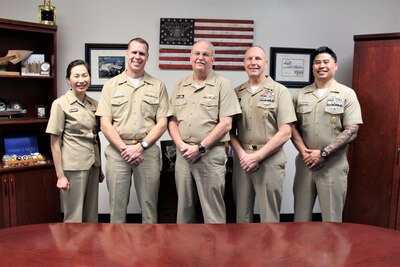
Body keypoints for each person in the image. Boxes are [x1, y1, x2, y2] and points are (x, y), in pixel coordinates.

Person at [96, 37, 171, 224]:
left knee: (149, 206)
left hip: (147, 153)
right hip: (117, 153)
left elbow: (162, 123)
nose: (137, 56)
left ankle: (149, 251)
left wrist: (141, 146)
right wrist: (125, 149)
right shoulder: (111, 85)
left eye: (142, 53)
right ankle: (117, 250)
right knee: (117, 206)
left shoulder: (157, 86)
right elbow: (105, 124)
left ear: (147, 57)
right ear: (127, 54)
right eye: (134, 52)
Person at [168, 40, 241, 224]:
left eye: (205, 54)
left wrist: (200, 148)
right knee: (184, 212)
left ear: (212, 59)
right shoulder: (180, 85)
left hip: (210, 155)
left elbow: (226, 123)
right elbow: (172, 121)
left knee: (213, 212)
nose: (200, 58)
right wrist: (182, 145)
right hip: (183, 156)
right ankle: (186, 251)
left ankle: (215, 252)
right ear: (190, 58)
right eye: (197, 54)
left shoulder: (222, 84)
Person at [291, 46, 363, 222]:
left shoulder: (347, 94)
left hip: (333, 165)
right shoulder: (300, 94)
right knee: (300, 218)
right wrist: (305, 153)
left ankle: (333, 251)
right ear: (312, 66)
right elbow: (291, 127)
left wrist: (324, 153)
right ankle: (301, 250)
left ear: (335, 66)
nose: (321, 66)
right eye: (317, 62)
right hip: (305, 164)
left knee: (332, 219)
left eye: (326, 62)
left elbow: (352, 129)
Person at [229, 45, 297, 223]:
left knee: (269, 216)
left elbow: (285, 132)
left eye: (258, 59)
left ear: (265, 63)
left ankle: (271, 251)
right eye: (249, 59)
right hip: (242, 159)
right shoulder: (236, 93)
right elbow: (230, 130)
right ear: (244, 63)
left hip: (270, 159)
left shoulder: (279, 91)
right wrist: (243, 155)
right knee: (241, 215)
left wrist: (257, 156)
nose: (253, 62)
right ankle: (244, 251)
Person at [46, 59, 104, 222]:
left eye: (85, 75)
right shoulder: (60, 104)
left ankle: (88, 248)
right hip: (73, 168)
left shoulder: (94, 104)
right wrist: (60, 176)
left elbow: (95, 136)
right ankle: (70, 248)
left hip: (93, 165)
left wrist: (99, 168)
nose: (81, 80)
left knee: (91, 216)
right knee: (74, 217)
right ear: (68, 79)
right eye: (76, 76)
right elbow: (54, 143)